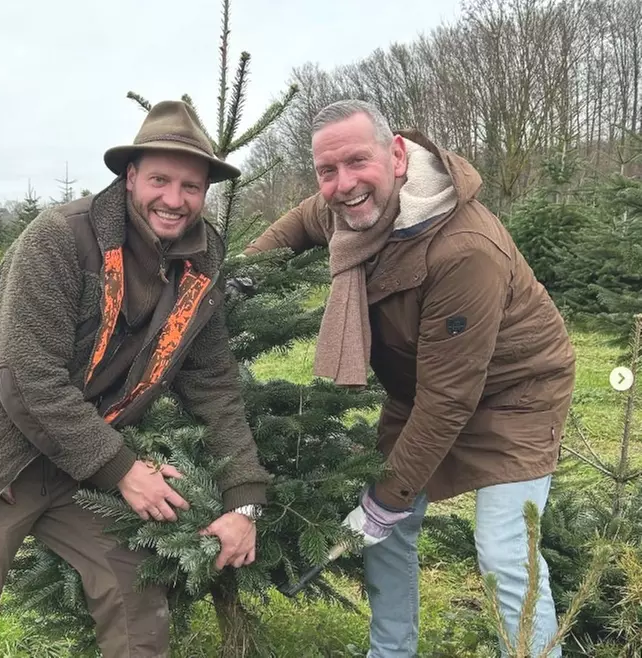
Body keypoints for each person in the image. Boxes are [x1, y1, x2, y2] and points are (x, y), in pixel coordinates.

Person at [0, 100, 270, 658]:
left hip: (76, 453)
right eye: (160, 179)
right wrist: (123, 471)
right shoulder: (62, 238)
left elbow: (214, 383)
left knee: (135, 588)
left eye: (191, 185)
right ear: (130, 175)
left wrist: (244, 502)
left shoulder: (201, 258)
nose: (174, 199)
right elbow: (28, 376)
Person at [243, 99, 575, 657]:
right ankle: (391, 651)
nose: (344, 184)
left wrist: (388, 498)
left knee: (503, 549)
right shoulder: (342, 206)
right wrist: (242, 276)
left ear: (397, 155)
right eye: (328, 171)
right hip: (419, 387)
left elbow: (449, 400)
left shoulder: (464, 248)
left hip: (516, 394)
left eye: (357, 163)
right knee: (386, 535)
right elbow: (300, 221)